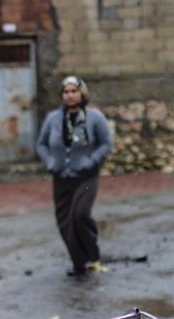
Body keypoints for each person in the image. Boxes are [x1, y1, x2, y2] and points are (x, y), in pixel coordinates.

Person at [36, 75, 113, 277]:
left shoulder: (94, 117)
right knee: (64, 221)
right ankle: (79, 262)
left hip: (86, 177)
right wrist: (51, 163)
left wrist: (91, 161)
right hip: (61, 177)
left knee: (80, 214)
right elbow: (41, 145)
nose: (70, 96)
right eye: (66, 92)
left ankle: (93, 255)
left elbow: (106, 144)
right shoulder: (53, 119)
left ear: (82, 93)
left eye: (74, 91)